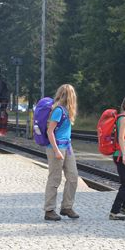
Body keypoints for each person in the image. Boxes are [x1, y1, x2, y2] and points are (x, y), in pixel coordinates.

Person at [44, 84, 80, 221]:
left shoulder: (67, 110)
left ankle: (67, 206)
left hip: (67, 147)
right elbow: (50, 131)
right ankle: (49, 210)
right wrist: (56, 150)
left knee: (73, 176)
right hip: (57, 148)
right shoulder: (58, 110)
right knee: (55, 179)